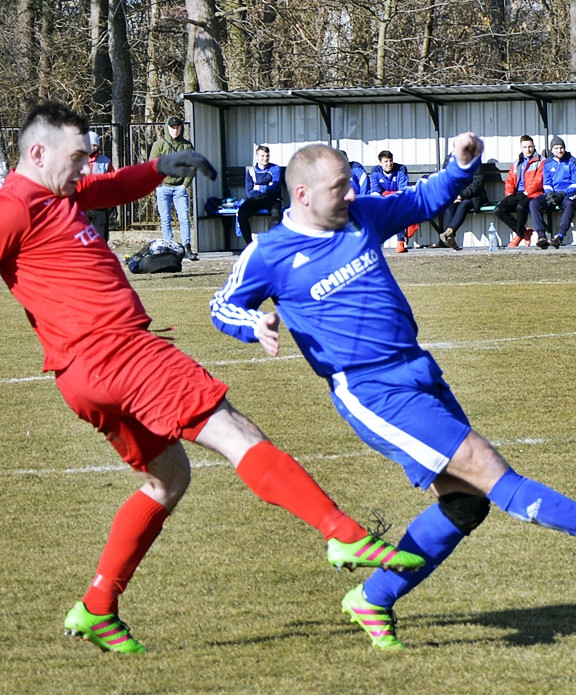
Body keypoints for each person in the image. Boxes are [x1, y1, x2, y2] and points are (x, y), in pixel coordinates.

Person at [0, 101, 423, 655]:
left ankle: (98, 606)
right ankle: (342, 535)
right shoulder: (14, 205)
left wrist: (158, 169)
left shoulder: (61, 194)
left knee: (167, 478)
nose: (86, 168)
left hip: (81, 376)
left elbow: (111, 189)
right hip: (119, 352)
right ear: (37, 152)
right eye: (78, 157)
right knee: (234, 431)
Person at [210, 135, 576, 650]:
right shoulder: (270, 252)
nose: (351, 194)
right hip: (372, 392)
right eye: (339, 186)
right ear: (302, 195)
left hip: (419, 370)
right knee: (483, 464)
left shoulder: (362, 216)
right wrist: (253, 322)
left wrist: (462, 167)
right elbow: (221, 304)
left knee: (465, 505)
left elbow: (422, 200)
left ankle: (373, 598)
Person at [149, 115, 199, 261]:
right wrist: (157, 184)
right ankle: (170, 248)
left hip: (179, 188)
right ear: (167, 128)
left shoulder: (187, 145)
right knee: (165, 219)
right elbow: (153, 165)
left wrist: (185, 184)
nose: (175, 131)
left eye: (177, 128)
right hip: (163, 187)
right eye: (172, 128)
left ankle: (186, 247)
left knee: (184, 218)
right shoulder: (159, 145)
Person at [529, 136, 576, 249]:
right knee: (534, 203)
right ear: (552, 150)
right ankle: (541, 236)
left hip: (571, 194)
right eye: (556, 148)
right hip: (555, 194)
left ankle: (560, 236)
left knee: (569, 203)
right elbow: (547, 183)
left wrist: (562, 194)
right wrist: (549, 194)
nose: (559, 150)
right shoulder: (548, 163)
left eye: (561, 148)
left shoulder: (572, 162)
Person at [494, 135, 544, 247]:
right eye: (525, 147)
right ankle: (523, 231)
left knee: (521, 206)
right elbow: (510, 180)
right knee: (499, 210)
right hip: (517, 193)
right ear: (521, 148)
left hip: (533, 194)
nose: (528, 149)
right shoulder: (517, 162)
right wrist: (510, 194)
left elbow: (538, 181)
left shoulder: (541, 161)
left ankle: (518, 235)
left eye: (530, 146)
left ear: (534, 146)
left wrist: (526, 193)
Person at [433, 159, 487, 250]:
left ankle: (449, 234)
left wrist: (461, 195)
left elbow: (477, 183)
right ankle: (448, 237)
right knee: (449, 205)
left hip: (474, 197)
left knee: (464, 204)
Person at [369, 150, 417, 253]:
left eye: (390, 161)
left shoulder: (401, 169)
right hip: (384, 199)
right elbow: (375, 191)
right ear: (380, 162)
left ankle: (400, 241)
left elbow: (403, 189)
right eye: (386, 161)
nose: (389, 164)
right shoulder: (375, 171)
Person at [237, 144, 283, 245]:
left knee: (276, 213)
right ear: (257, 157)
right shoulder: (251, 171)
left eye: (267, 156)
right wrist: (267, 186)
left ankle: (270, 243)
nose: (265, 158)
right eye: (262, 156)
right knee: (242, 213)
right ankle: (249, 245)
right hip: (255, 199)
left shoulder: (275, 169)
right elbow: (249, 191)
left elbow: (275, 187)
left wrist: (259, 187)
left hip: (272, 198)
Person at [82, 130, 115, 242]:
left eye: (95, 145)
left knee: (102, 238)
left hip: (100, 205)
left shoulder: (105, 161)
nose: (92, 148)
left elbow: (112, 181)